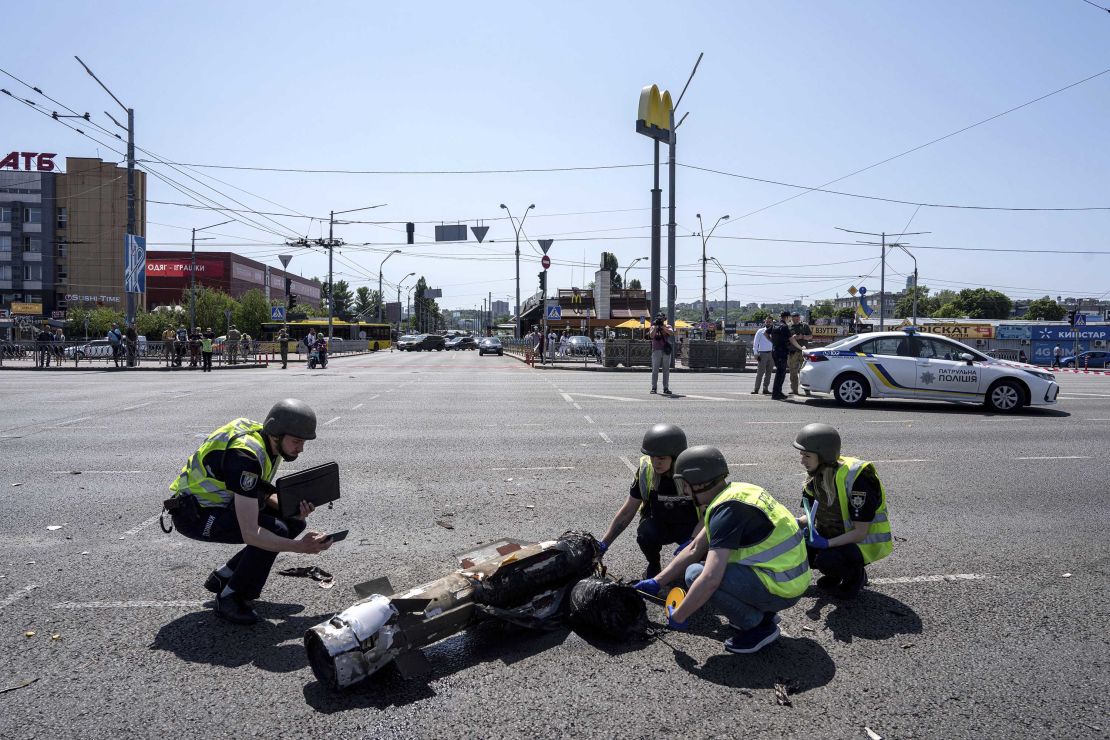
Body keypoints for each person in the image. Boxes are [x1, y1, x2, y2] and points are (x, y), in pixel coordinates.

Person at [163, 399, 333, 624]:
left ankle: (225, 576)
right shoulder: (246, 456)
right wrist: (300, 548)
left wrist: (292, 509)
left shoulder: (265, 440)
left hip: (218, 506)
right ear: (277, 433)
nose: (300, 448)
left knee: (293, 522)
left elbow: (257, 491)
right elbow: (251, 534)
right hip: (195, 516)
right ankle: (231, 597)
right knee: (276, 529)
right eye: (296, 441)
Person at [634, 446, 810, 654]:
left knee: (696, 574)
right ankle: (762, 611)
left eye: (685, 485)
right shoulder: (734, 493)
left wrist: (679, 615)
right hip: (788, 577)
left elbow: (710, 579)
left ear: (698, 483)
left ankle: (759, 626)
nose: (685, 492)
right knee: (701, 568)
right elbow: (694, 548)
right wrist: (657, 581)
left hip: (782, 586)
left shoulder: (727, 512)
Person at [792, 423, 892, 599]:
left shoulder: (857, 479)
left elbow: (861, 533)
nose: (802, 461)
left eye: (807, 456)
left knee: (827, 560)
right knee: (795, 547)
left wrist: (827, 545)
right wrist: (790, 524)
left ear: (823, 456)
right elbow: (809, 515)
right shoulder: (815, 476)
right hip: (835, 535)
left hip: (863, 543)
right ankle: (835, 574)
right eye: (802, 455)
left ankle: (855, 576)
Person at [597, 424, 698, 579]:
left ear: (676, 456)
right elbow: (628, 511)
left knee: (694, 570)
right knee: (646, 533)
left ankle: (688, 563)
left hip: (688, 528)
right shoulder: (646, 471)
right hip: (659, 524)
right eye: (653, 457)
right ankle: (654, 564)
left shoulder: (693, 473)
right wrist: (603, 545)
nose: (655, 462)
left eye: (662, 458)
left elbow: (708, 514)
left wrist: (695, 542)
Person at [648, 312, 673, 395]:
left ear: (664, 319)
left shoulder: (668, 326)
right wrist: (655, 326)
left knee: (666, 370)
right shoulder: (653, 326)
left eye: (661, 318)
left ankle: (666, 388)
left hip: (665, 350)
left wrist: (662, 327)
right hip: (656, 350)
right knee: (655, 370)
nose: (660, 320)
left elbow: (671, 333)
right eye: (659, 318)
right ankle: (654, 388)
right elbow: (651, 336)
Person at [787, 312, 812, 395]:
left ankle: (807, 390)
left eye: (798, 316)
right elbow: (786, 338)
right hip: (793, 352)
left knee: (805, 372)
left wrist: (802, 337)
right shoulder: (788, 326)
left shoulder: (804, 326)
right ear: (791, 317)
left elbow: (810, 336)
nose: (797, 318)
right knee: (793, 372)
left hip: (803, 352)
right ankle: (794, 390)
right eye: (795, 316)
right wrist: (793, 338)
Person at [769, 311, 792, 400]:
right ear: (786, 317)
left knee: (781, 373)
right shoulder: (784, 326)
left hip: (775, 351)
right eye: (789, 317)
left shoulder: (775, 325)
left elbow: (766, 334)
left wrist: (773, 342)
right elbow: (791, 339)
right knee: (780, 373)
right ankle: (775, 394)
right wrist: (801, 348)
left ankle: (778, 392)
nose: (790, 319)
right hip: (781, 352)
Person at [751, 316, 774, 394]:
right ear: (765, 322)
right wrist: (756, 353)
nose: (768, 323)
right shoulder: (760, 331)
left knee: (769, 373)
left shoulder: (774, 331)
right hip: (762, 354)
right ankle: (756, 389)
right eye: (767, 321)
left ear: (772, 322)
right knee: (760, 372)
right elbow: (755, 343)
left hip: (771, 354)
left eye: (770, 322)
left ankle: (765, 389)